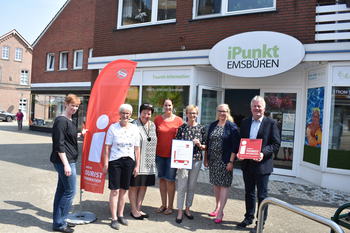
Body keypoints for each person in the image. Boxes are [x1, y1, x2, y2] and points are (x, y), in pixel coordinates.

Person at [236, 96, 281, 233]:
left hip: (262, 165)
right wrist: (240, 153)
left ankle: (260, 221)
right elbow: (241, 141)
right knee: (249, 193)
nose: (257, 108)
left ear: (264, 108)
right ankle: (248, 217)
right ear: (251, 108)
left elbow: (276, 144)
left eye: (259, 106)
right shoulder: (245, 122)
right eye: (254, 106)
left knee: (262, 195)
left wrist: (263, 153)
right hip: (247, 164)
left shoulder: (271, 123)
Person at [102, 104, 141, 230]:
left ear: (131, 115)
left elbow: (137, 148)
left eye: (128, 113)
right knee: (115, 190)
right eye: (123, 113)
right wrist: (106, 163)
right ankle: (113, 218)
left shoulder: (135, 128)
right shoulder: (113, 128)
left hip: (129, 162)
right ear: (120, 114)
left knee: (124, 190)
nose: (125, 115)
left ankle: (120, 214)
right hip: (115, 162)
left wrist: (137, 166)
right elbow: (107, 147)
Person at [204, 104, 240, 224]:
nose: (222, 113)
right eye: (220, 111)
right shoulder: (213, 125)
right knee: (216, 184)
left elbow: (235, 146)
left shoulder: (232, 127)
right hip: (213, 160)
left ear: (228, 112)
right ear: (217, 112)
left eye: (224, 111)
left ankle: (221, 212)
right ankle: (217, 207)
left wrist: (231, 161)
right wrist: (206, 158)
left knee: (224, 185)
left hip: (225, 161)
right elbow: (208, 142)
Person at [50, 94, 81, 233]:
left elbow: (68, 137)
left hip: (68, 160)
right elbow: (59, 144)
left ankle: (59, 220)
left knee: (62, 191)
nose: (74, 108)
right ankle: (60, 223)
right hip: (65, 161)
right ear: (66, 104)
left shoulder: (69, 119)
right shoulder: (61, 121)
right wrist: (66, 164)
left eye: (77, 106)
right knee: (70, 192)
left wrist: (80, 134)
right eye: (72, 105)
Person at [175, 105, 206, 224]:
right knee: (182, 185)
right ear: (186, 114)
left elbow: (205, 147)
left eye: (194, 113)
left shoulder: (202, 128)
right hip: (183, 161)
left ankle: (188, 209)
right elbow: (176, 145)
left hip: (196, 160)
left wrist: (199, 144)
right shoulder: (182, 128)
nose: (192, 115)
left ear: (197, 114)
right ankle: (179, 211)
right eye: (190, 113)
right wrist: (176, 161)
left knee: (191, 186)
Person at [128, 103, 157, 220]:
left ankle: (139, 208)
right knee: (134, 186)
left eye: (149, 113)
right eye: (144, 112)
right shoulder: (133, 125)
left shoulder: (153, 125)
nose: (147, 115)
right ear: (140, 113)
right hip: (137, 162)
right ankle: (133, 210)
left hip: (149, 162)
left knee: (144, 185)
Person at [154, 99, 183, 215]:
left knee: (170, 180)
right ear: (163, 106)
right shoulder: (157, 120)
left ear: (173, 106)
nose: (168, 107)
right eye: (166, 105)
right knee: (161, 179)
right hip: (159, 154)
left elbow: (183, 138)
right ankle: (163, 204)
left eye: (169, 105)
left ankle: (170, 206)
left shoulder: (179, 120)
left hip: (173, 156)